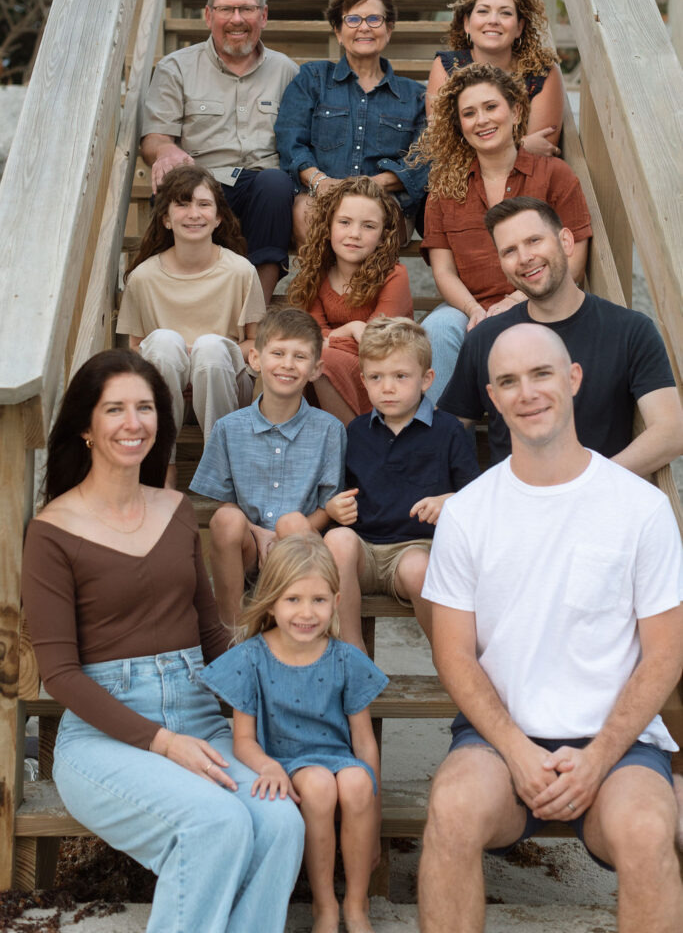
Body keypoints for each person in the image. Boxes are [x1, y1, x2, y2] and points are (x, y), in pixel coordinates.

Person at [21, 349, 304, 933]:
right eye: (115, 409)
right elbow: (59, 674)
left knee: (280, 821)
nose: (133, 423)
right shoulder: (52, 531)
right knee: (214, 823)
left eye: (145, 408)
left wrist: (260, 715)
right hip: (108, 736)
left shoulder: (177, 511)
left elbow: (209, 634)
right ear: (86, 426)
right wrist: (160, 741)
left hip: (201, 716)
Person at [419, 323, 683, 933]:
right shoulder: (468, 513)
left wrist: (598, 759)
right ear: (491, 396)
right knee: (453, 808)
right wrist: (515, 747)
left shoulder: (638, 507)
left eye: (541, 375)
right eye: (508, 381)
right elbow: (453, 654)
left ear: (573, 379)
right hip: (498, 738)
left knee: (648, 831)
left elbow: (665, 654)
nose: (527, 393)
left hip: (616, 745)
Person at [200, 534, 388, 933]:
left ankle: (356, 903)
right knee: (319, 786)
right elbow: (244, 740)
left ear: (337, 602)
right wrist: (267, 766)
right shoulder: (252, 657)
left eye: (319, 600)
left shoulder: (345, 659)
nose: (307, 613)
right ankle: (324, 905)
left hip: (338, 756)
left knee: (356, 783)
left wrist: (376, 810)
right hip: (285, 761)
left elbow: (364, 742)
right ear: (270, 601)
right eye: (293, 599)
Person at [441, 196, 683, 477]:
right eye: (509, 251)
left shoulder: (630, 330)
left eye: (534, 240)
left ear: (566, 242)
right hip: (514, 511)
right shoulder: (486, 338)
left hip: (597, 507)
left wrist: (590, 482)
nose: (524, 257)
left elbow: (672, 430)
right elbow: (445, 431)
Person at [410, 63, 591, 401]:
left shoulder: (554, 174)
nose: (482, 120)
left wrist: (514, 301)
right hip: (470, 309)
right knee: (437, 328)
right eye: (469, 113)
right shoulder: (444, 187)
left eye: (491, 107)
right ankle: (443, 442)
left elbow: (574, 260)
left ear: (516, 110)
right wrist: (473, 309)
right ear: (459, 124)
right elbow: (443, 271)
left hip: (540, 300)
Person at [141, 0, 298, 303]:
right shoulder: (176, 67)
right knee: (178, 185)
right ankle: (183, 300)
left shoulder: (286, 70)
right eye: (226, 9)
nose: (237, 19)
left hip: (262, 186)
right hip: (201, 178)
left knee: (277, 184)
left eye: (247, 9)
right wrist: (165, 150)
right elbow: (154, 136)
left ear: (264, 15)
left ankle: (256, 307)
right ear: (209, 15)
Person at [323, 317, 479, 649]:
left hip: (414, 549)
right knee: (337, 540)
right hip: (364, 551)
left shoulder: (449, 430)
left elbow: (475, 498)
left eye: (400, 377)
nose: (388, 387)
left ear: (426, 380)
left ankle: (451, 659)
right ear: (363, 381)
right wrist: (334, 507)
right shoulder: (356, 432)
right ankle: (354, 654)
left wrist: (447, 500)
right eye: (376, 378)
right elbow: (341, 493)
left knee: (418, 568)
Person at [189, 308, 346, 635]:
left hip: (300, 548)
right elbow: (225, 501)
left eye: (300, 356)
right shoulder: (228, 428)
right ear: (255, 360)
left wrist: (284, 535)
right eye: (278, 353)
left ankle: (298, 635)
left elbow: (326, 508)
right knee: (225, 520)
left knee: (293, 522)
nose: (288, 364)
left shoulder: (330, 430)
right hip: (246, 548)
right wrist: (259, 534)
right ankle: (233, 633)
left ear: (316, 369)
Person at [117, 164, 266, 485]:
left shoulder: (240, 271)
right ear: (166, 218)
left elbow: (256, 345)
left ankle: (222, 469)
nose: (193, 213)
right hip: (164, 386)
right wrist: (182, 362)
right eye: (182, 204)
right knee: (163, 344)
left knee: (209, 349)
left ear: (219, 217)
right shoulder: (143, 278)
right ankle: (163, 468)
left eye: (203, 204)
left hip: (224, 382)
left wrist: (198, 359)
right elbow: (135, 348)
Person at [275, 0, 429, 248]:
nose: (364, 28)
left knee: (368, 220)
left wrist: (370, 185)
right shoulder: (313, 78)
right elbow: (290, 140)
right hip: (320, 195)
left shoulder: (414, 95)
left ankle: (361, 292)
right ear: (338, 30)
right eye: (353, 19)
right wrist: (321, 182)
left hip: (386, 200)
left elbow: (421, 162)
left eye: (374, 19)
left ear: (389, 28)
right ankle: (324, 289)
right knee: (303, 211)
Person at [287, 176, 413, 425]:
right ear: (328, 226)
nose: (354, 234)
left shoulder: (394, 276)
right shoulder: (315, 276)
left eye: (368, 226)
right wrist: (351, 329)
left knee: (321, 358)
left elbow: (375, 342)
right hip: (320, 370)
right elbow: (308, 337)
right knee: (295, 360)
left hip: (381, 373)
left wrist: (328, 340)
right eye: (344, 222)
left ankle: (352, 443)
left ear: (382, 236)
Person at [426, 0, 563, 158]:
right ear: (467, 23)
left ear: (519, 27)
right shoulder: (447, 66)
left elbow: (542, 150)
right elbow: (443, 145)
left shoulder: (542, 72)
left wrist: (483, 146)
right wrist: (522, 144)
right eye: (483, 11)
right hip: (463, 181)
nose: (493, 20)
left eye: (505, 13)